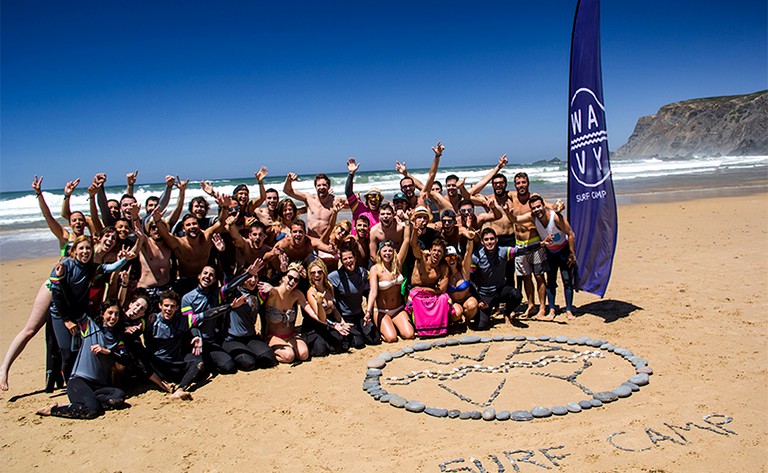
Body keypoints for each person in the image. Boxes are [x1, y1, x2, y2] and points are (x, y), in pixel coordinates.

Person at [0, 176, 93, 392]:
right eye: (74, 220)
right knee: (31, 329)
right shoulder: (64, 236)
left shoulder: (89, 243)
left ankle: (74, 376)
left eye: (81, 220)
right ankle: (4, 368)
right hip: (53, 288)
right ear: (70, 222)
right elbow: (48, 216)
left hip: (74, 296)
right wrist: (40, 194)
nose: (78, 223)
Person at [48, 236, 129, 381]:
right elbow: (57, 297)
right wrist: (66, 320)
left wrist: (125, 260)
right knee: (67, 353)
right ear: (74, 251)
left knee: (80, 350)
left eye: (88, 248)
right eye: (81, 248)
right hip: (61, 315)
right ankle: (69, 384)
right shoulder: (63, 267)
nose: (85, 251)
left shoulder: (91, 267)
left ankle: (81, 379)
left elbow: (110, 268)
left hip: (80, 314)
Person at [36, 299, 130, 419]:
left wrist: (108, 352)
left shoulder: (117, 338)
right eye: (110, 313)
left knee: (118, 396)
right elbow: (75, 307)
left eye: (116, 314)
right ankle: (54, 409)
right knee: (92, 411)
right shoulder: (90, 328)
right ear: (102, 313)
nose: (113, 317)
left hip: (99, 386)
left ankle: (90, 401)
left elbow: (125, 359)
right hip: (79, 381)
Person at [145, 290, 228, 400]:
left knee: (198, 363)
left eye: (172, 306)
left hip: (173, 365)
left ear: (177, 308)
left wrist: (230, 306)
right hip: (155, 366)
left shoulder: (182, 321)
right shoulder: (151, 321)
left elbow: (205, 315)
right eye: (166, 306)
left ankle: (180, 389)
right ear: (160, 306)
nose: (168, 309)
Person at [470, 228, 553, 329]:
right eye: (486, 239)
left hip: (500, 291)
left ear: (496, 240)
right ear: (482, 242)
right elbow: (471, 280)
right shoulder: (476, 256)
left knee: (516, 295)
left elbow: (523, 250)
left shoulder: (503, 251)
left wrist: (541, 244)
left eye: (492, 239)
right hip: (485, 295)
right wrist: (478, 299)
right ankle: (485, 313)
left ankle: (507, 313)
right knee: (480, 326)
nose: (489, 242)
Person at [152, 193, 229, 296]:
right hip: (186, 282)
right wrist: (157, 221)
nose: (192, 226)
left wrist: (225, 207)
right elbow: (165, 234)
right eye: (188, 225)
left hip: (205, 279)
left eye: (194, 223)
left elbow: (220, 222)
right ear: (183, 229)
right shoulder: (180, 243)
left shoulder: (206, 237)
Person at [219, 261, 279, 371]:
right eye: (249, 277)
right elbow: (227, 286)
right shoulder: (233, 293)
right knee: (248, 363)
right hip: (232, 339)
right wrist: (247, 273)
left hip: (250, 337)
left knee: (268, 359)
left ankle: (251, 352)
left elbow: (272, 282)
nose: (253, 280)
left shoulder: (256, 295)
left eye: (255, 277)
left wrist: (282, 272)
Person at [259, 263, 320, 363]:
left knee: (304, 354)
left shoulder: (296, 294)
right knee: (289, 356)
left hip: (291, 335)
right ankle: (271, 353)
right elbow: (262, 292)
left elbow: (310, 310)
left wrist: (328, 322)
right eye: (290, 277)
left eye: (296, 280)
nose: (292, 282)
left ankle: (289, 348)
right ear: (283, 277)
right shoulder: (273, 292)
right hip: (274, 336)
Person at [529, 194, 577, 321]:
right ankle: (551, 309)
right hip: (550, 253)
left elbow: (570, 233)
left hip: (564, 251)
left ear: (544, 206)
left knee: (567, 281)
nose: (537, 210)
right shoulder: (535, 219)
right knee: (551, 282)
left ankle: (568, 309)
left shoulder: (555, 217)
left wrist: (572, 253)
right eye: (534, 208)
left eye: (539, 206)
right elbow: (517, 219)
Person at [181, 266, 236, 374]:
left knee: (229, 366)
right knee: (198, 371)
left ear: (214, 280)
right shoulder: (187, 298)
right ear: (199, 276)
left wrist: (249, 273)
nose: (207, 276)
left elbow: (230, 286)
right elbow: (190, 323)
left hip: (210, 342)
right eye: (205, 273)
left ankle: (210, 362)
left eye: (211, 275)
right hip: (194, 342)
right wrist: (197, 336)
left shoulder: (216, 295)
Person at [365, 228, 415, 343]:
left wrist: (407, 223)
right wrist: (368, 311)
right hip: (381, 310)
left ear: (394, 252)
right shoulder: (375, 269)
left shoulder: (398, 264)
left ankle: (394, 325)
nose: (387, 253)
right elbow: (373, 292)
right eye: (384, 251)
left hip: (398, 309)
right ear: (380, 253)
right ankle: (384, 328)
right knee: (391, 338)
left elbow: (406, 241)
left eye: (390, 251)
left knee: (409, 334)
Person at [328, 249, 380, 348]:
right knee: (358, 343)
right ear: (341, 261)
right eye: (345, 259)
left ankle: (360, 330)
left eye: (350, 258)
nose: (348, 261)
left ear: (355, 259)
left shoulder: (362, 272)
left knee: (374, 339)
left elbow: (369, 291)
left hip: (359, 314)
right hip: (345, 316)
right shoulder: (335, 276)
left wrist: (368, 312)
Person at [407, 228, 452, 337]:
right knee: (415, 296)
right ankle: (420, 327)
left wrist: (424, 289)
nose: (436, 254)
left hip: (431, 292)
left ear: (442, 254)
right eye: (435, 250)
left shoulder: (443, 268)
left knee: (444, 298)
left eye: (439, 251)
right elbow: (413, 244)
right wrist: (414, 230)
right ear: (430, 250)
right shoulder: (421, 257)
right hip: (416, 292)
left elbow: (442, 289)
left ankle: (439, 328)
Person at [303, 260, 352, 356]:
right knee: (321, 351)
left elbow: (333, 309)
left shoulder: (330, 287)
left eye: (319, 272)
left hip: (329, 321)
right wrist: (319, 303)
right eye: (313, 273)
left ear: (324, 273)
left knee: (341, 346)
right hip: (316, 324)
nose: (316, 275)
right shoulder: (311, 292)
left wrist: (342, 322)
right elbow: (320, 317)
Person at [283, 172, 340, 237]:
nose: (321, 187)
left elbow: (352, 203)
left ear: (329, 186)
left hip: (327, 240)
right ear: (315, 187)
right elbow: (287, 191)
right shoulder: (309, 198)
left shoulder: (334, 201)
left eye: (324, 185)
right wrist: (289, 180)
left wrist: (351, 174)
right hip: (312, 241)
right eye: (319, 185)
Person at [445, 235, 479, 327]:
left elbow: (468, 253)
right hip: (454, 302)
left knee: (472, 306)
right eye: (447, 258)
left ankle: (467, 320)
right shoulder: (444, 274)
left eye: (453, 257)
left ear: (456, 257)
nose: (451, 260)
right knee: (456, 313)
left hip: (467, 298)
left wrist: (470, 239)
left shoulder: (464, 270)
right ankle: (458, 320)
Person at [345, 157, 381, 231]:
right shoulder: (359, 208)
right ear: (367, 200)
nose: (373, 199)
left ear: (380, 201)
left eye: (377, 197)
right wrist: (351, 174)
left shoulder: (383, 216)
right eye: (371, 197)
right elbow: (348, 192)